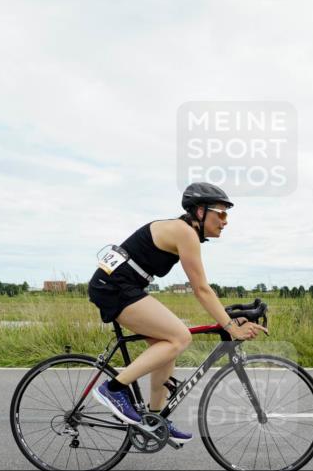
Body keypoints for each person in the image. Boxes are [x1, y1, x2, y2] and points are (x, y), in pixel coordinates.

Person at [87, 182, 268, 443]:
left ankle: (154, 420)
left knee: (168, 344)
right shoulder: (185, 233)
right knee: (179, 337)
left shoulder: (184, 232)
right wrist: (229, 326)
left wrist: (229, 317)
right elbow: (201, 289)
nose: (225, 221)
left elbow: (204, 289)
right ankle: (114, 389)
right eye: (222, 213)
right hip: (113, 288)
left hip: (123, 285)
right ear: (200, 211)